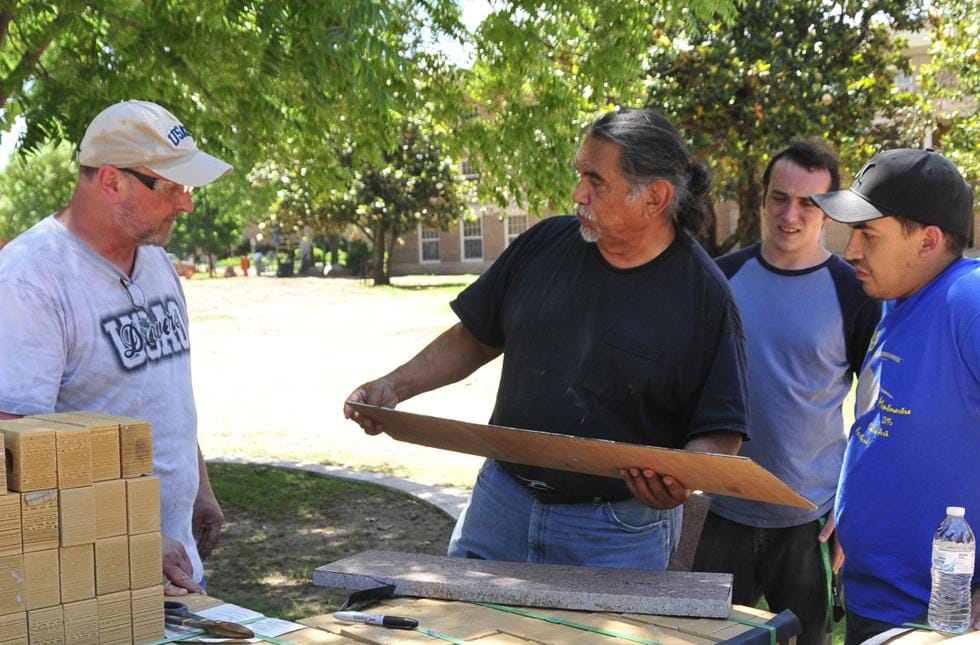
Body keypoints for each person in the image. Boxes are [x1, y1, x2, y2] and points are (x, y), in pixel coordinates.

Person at [345, 107, 749, 570]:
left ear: (654, 197)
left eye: (596, 181)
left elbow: (720, 432)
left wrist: (681, 478)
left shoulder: (704, 296)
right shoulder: (544, 244)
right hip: (501, 503)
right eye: (580, 174)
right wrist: (392, 388)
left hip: (614, 532)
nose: (578, 194)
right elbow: (473, 338)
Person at [0, 99, 233, 596]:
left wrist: (198, 489)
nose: (186, 203)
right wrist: (130, 540)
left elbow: (162, 393)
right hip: (85, 579)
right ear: (111, 181)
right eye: (170, 187)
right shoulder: (31, 280)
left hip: (173, 565)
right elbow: (15, 457)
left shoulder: (157, 262)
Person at [692, 142, 880, 645]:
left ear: (830, 211)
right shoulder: (721, 277)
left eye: (808, 203)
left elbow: (873, 410)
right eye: (779, 198)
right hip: (723, 508)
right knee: (702, 639)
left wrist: (850, 505)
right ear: (762, 199)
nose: (790, 214)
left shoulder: (854, 290)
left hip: (809, 520)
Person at [810, 148, 979, 643]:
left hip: (939, 621)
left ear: (928, 240)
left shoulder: (966, 299)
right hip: (875, 601)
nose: (850, 251)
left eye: (869, 234)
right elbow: (888, 421)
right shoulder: (898, 297)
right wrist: (854, 510)